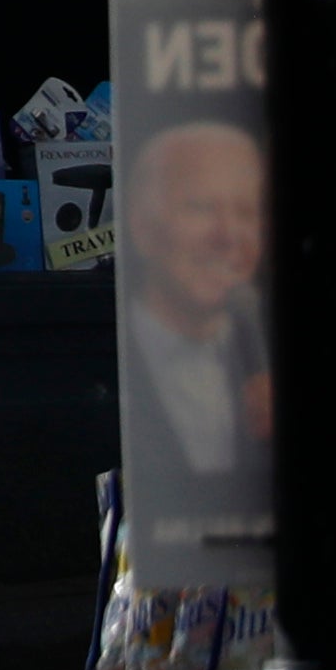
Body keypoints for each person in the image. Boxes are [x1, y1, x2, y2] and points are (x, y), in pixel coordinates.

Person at [119, 114, 275, 556]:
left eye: (245, 212)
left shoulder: (260, 355)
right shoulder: (117, 361)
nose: (229, 236)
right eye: (201, 207)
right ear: (143, 227)